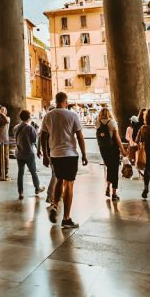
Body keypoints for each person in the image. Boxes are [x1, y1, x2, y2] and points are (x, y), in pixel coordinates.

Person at [40, 92, 88, 229]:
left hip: (55, 155)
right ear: (65, 102)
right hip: (70, 154)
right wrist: (84, 155)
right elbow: (79, 136)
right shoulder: (72, 115)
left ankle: (55, 205)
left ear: (56, 101)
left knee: (59, 180)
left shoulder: (48, 116)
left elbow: (43, 136)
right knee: (69, 185)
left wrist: (45, 155)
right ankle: (66, 218)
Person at [95, 107, 127, 201]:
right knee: (114, 169)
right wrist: (122, 150)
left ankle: (108, 187)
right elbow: (117, 138)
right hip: (113, 148)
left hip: (103, 149)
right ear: (109, 113)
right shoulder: (112, 122)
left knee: (109, 167)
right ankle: (114, 193)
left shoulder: (97, 123)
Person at [12, 109, 44, 199]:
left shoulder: (16, 127)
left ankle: (20, 192)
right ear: (29, 117)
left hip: (19, 153)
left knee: (20, 173)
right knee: (33, 172)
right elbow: (34, 140)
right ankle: (37, 188)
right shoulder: (30, 128)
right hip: (29, 153)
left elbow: (15, 136)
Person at [0, 105, 10, 180]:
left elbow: (6, 120)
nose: (1, 111)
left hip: (5, 140)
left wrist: (2, 114)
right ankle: (0, 170)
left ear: (6, 112)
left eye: (3, 110)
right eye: (1, 110)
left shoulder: (8, 118)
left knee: (5, 156)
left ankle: (6, 171)